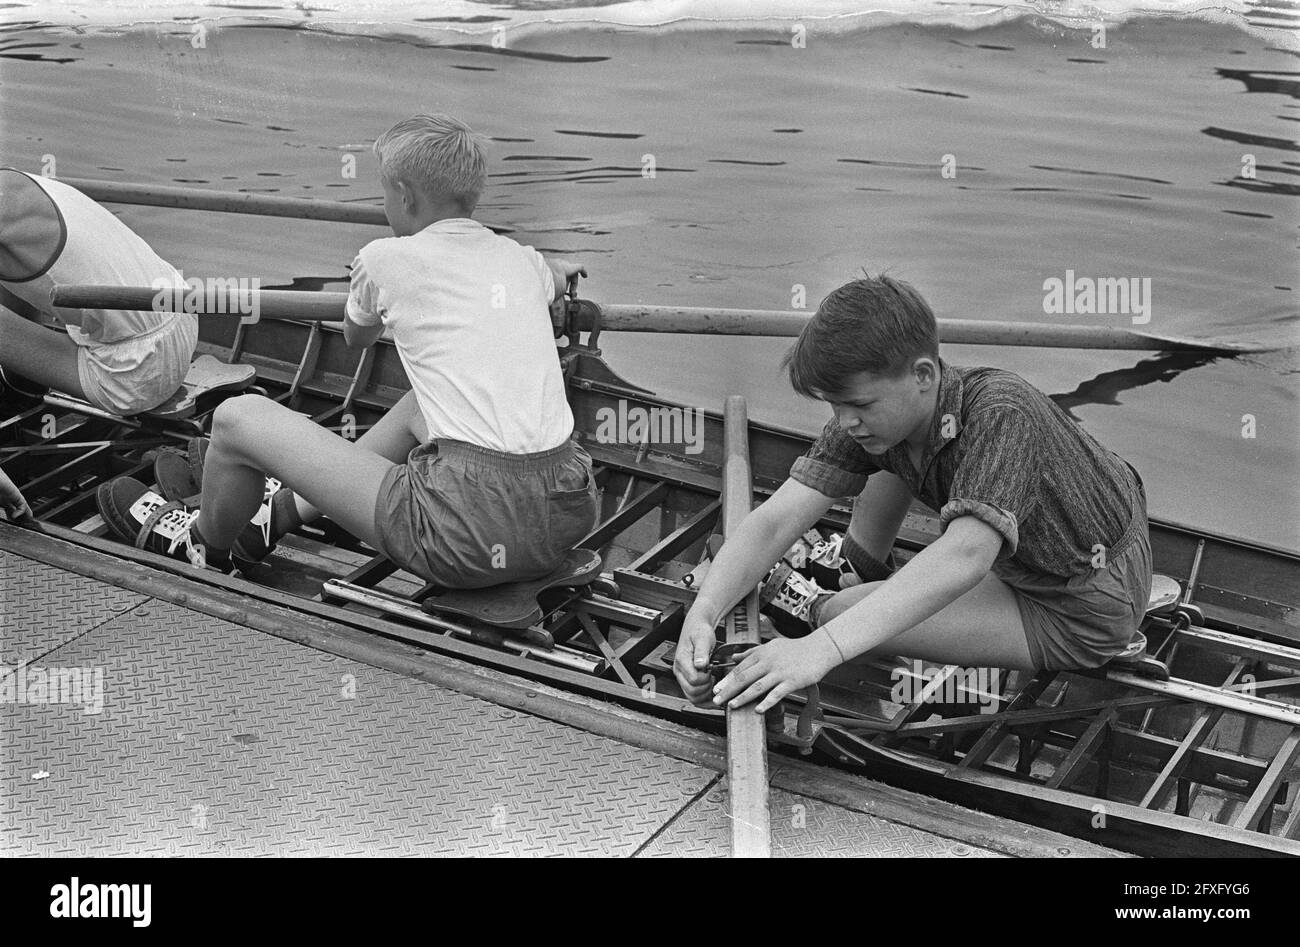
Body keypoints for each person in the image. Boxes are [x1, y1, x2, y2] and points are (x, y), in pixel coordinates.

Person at [96, 113, 598, 587]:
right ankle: (277, 514)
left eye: (384, 193)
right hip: (567, 512)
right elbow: (552, 276)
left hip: (462, 536)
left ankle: (201, 545)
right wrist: (557, 271)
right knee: (422, 405)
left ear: (402, 195)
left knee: (235, 419)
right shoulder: (522, 261)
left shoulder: (382, 258)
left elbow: (356, 337)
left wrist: (368, 280)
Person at [674, 276, 1152, 713]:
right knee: (885, 442)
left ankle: (818, 604)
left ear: (923, 374)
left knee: (842, 614)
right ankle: (857, 560)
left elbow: (965, 556)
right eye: (834, 406)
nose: (844, 421)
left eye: (858, 404)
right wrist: (704, 612)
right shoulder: (883, 411)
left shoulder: (1003, 414)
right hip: (1037, 555)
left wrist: (817, 650)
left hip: (1082, 604)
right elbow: (776, 520)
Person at [0, 168, 197, 416]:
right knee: (10, 256)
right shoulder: (15, 180)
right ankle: (22, 383)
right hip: (181, 309)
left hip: (134, 371)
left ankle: (23, 385)